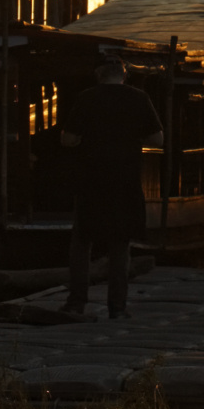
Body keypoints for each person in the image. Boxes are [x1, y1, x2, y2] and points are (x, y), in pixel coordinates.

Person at [60, 56, 163, 318]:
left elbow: (69, 139)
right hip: (125, 179)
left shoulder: (86, 98)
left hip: (91, 180)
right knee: (120, 244)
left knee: (82, 242)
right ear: (124, 75)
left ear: (98, 75)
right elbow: (157, 138)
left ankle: (76, 302)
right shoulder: (139, 98)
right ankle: (117, 306)